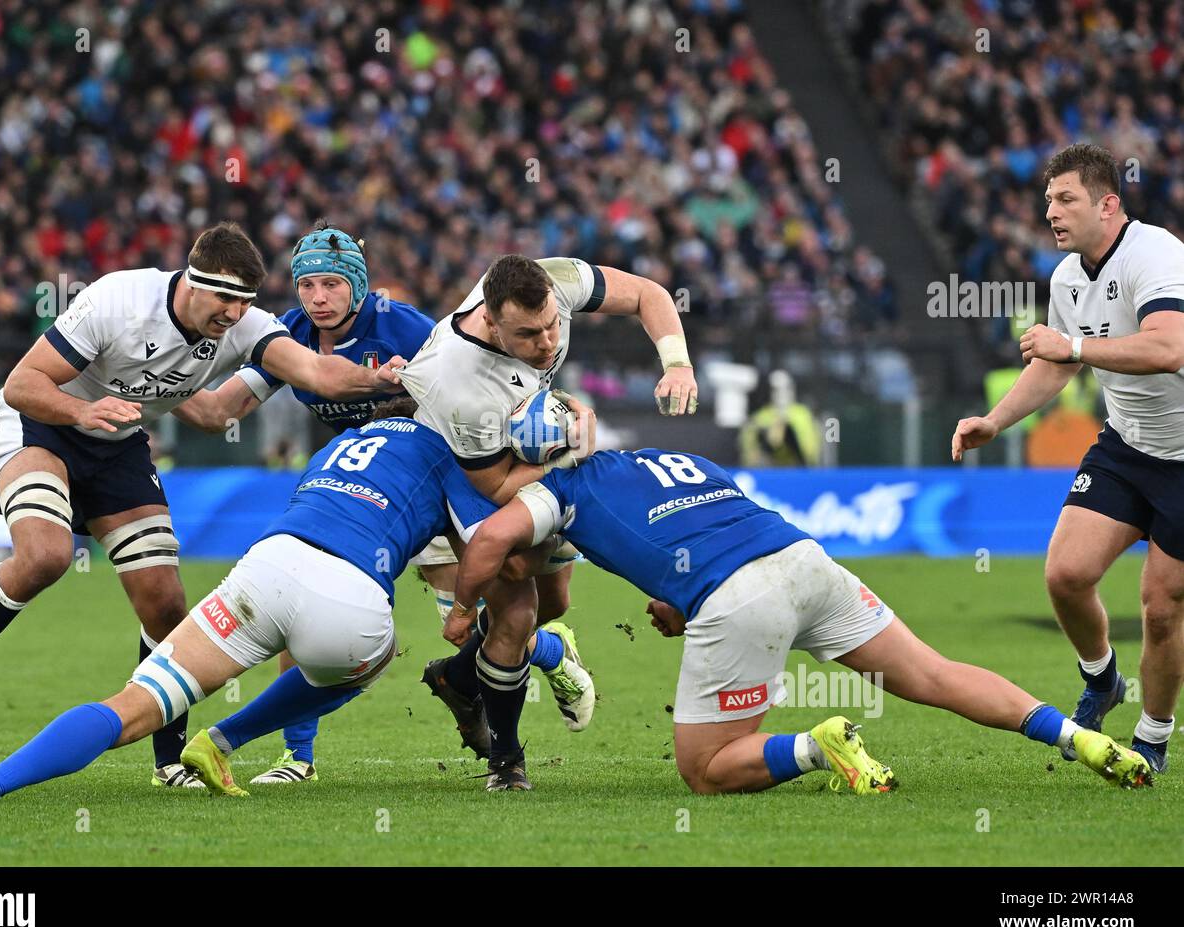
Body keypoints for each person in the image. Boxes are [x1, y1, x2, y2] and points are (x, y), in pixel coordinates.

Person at [0, 222, 404, 788]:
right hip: (43, 423)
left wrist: (378, 380)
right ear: (191, 281)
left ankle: (167, 764)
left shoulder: (248, 326)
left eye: (245, 302)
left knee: (164, 602)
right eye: (225, 299)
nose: (235, 314)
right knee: (45, 557)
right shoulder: (119, 300)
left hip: (119, 444)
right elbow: (21, 384)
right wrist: (83, 412)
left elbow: (293, 380)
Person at [0, 400, 536, 808]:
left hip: (262, 570)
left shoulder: (339, 445)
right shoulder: (457, 458)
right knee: (371, 658)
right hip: (351, 601)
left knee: (134, 708)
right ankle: (225, 738)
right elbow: (490, 553)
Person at [444, 444, 1154, 793]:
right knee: (934, 673)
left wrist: (463, 612)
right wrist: (678, 600)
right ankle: (1076, 737)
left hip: (741, 595)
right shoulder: (673, 457)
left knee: (705, 770)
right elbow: (701, 529)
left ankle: (819, 748)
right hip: (804, 559)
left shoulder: (554, 488)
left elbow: (490, 541)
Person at [399, 253, 699, 789]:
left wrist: (676, 363)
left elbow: (649, 294)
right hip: (451, 460)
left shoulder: (550, 280)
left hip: (520, 445)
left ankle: (459, 677)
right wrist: (569, 451)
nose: (547, 342)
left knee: (555, 602)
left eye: (552, 325)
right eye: (528, 334)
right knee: (516, 596)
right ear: (491, 321)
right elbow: (493, 486)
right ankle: (507, 763)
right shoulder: (461, 382)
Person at [175, 221, 439, 785]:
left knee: (465, 622)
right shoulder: (287, 335)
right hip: (354, 490)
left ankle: (537, 669)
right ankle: (298, 758)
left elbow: (471, 386)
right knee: (299, 609)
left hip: (431, 487)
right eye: (306, 286)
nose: (317, 299)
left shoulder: (404, 327)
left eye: (331, 286)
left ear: (358, 286)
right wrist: (148, 382)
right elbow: (222, 409)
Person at [952, 143, 1184, 774]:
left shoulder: (1157, 255)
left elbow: (1169, 349)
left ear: (1108, 204)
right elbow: (1056, 364)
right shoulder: (1067, 277)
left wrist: (1073, 344)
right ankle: (1102, 678)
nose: (1050, 211)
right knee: (1065, 575)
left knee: (1161, 609)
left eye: (1065, 199)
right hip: (1127, 444)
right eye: (1048, 200)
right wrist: (993, 421)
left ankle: (1154, 736)